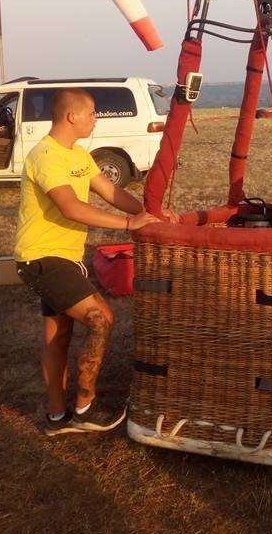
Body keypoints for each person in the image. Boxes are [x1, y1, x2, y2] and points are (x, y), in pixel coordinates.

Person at [14, 88, 166, 436]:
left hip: (64, 257)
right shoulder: (46, 156)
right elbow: (71, 207)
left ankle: (56, 418)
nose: (96, 119)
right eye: (93, 113)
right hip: (43, 258)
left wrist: (148, 214)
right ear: (72, 116)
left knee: (59, 337)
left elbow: (109, 191)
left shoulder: (79, 154)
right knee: (100, 319)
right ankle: (85, 406)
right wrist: (130, 225)